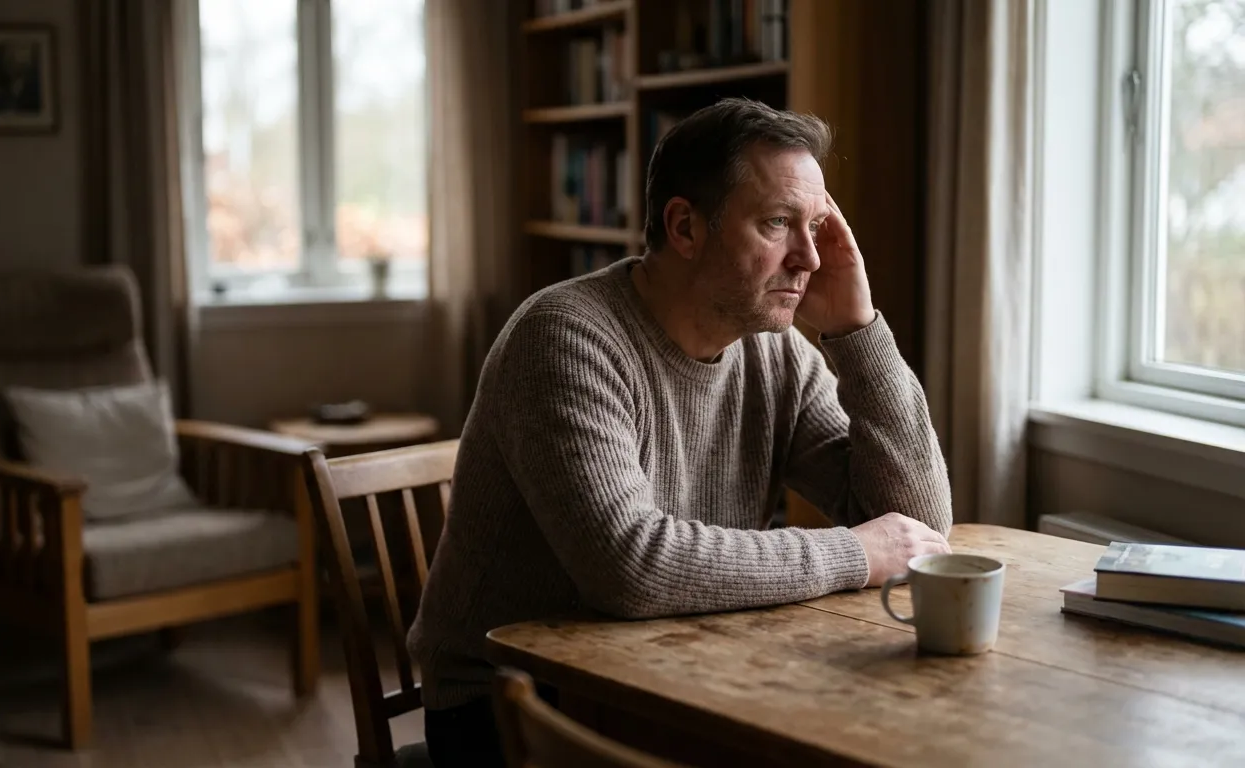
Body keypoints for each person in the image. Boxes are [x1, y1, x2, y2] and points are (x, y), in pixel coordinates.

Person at [407, 97, 953, 768]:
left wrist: (857, 330)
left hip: (674, 674)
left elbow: (919, 526)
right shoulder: (563, 338)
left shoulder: (772, 352)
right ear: (685, 227)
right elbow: (631, 567)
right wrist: (854, 555)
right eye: (779, 224)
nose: (810, 257)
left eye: (817, 226)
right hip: (510, 706)